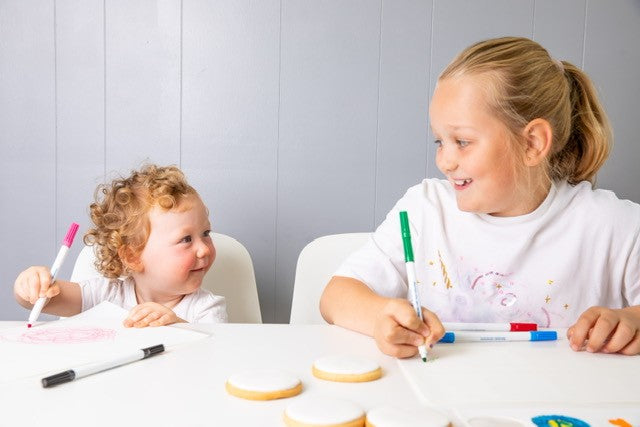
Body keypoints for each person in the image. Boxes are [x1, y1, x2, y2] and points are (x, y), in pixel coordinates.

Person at [320, 36, 640, 358]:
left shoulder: (615, 226)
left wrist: (631, 320)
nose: (444, 161)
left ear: (532, 144)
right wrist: (381, 317)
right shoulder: (425, 209)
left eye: (462, 141)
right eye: (439, 142)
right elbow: (335, 297)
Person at [14, 164, 227, 327]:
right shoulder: (104, 296)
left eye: (206, 233)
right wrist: (29, 287)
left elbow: (211, 357)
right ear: (133, 256)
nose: (205, 249)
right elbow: (42, 301)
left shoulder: (206, 309)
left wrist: (177, 326)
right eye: (186, 239)